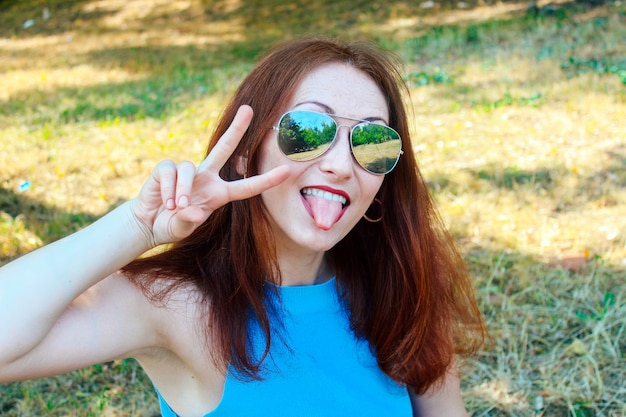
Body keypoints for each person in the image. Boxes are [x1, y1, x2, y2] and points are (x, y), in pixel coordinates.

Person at [0, 37, 486, 416]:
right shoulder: (178, 305)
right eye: (308, 131)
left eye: (373, 142)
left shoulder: (400, 283)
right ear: (246, 152)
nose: (341, 164)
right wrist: (136, 226)